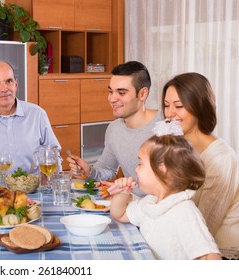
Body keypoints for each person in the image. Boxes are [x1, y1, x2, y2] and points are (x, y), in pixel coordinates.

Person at [110, 122, 221, 260]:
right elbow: (119, 215)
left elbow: (211, 257)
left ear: (162, 169)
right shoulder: (151, 203)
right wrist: (123, 193)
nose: (136, 169)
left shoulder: (184, 212)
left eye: (140, 164)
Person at [162, 72, 239, 259]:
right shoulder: (179, 148)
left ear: (199, 107)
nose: (170, 113)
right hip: (188, 239)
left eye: (178, 106)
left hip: (219, 252)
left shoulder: (221, 158)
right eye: (166, 105)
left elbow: (205, 224)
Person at [67, 61, 162, 196]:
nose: (112, 99)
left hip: (160, 211)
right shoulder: (114, 129)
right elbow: (107, 168)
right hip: (129, 208)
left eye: (121, 93)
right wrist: (89, 171)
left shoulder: (165, 124)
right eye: (111, 92)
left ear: (142, 94)